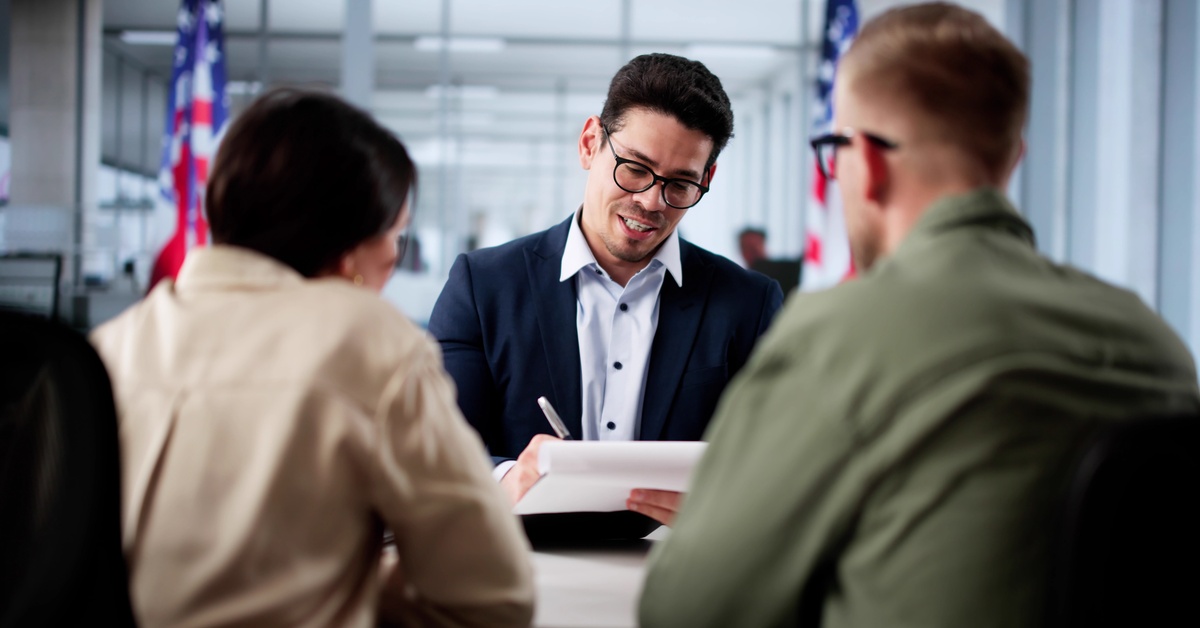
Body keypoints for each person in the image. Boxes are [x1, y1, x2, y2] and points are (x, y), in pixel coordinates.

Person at [640, 4, 1200, 627]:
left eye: (834, 152)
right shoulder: (1157, 346)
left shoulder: (841, 336)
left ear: (869, 164)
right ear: (1011, 159)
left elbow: (690, 608)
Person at [90, 89, 534, 628]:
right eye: (395, 234)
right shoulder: (370, 340)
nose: (396, 258)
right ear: (350, 248)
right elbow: (493, 594)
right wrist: (346, 584)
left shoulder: (108, 345)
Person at [427, 53, 784, 531]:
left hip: (673, 573)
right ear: (590, 143)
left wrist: (729, 502)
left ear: (707, 179)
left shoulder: (749, 303)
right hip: (523, 568)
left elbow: (780, 470)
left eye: (680, 184)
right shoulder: (483, 284)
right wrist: (509, 478)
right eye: (635, 168)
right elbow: (439, 451)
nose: (651, 202)